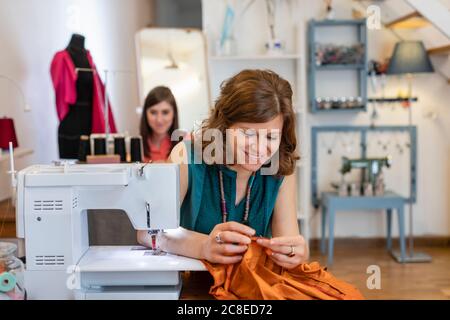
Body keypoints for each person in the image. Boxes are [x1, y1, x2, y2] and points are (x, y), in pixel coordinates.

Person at [138, 70, 308, 269]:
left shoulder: (280, 168)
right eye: (248, 133)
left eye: (271, 137)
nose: (260, 148)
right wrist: (203, 246)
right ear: (224, 124)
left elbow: (287, 245)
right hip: (190, 285)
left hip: (251, 286)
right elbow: (148, 232)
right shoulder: (186, 157)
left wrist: (294, 253)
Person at [139, 86, 180, 162]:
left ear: (174, 113)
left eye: (165, 112)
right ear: (145, 114)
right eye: (153, 112)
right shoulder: (135, 146)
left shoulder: (185, 145)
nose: (159, 120)